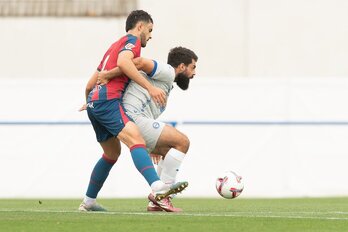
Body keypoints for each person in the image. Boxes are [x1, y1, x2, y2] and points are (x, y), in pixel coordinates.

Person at [79, 10, 188, 212]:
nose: (150, 35)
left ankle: (88, 202)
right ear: (140, 27)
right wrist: (150, 87)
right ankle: (158, 188)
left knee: (111, 153)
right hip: (108, 101)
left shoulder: (112, 47)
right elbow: (124, 63)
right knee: (136, 140)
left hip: (95, 102)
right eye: (149, 30)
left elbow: (89, 85)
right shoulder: (132, 41)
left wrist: (90, 101)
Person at [97, 47, 198, 212]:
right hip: (133, 118)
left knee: (168, 150)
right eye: (193, 67)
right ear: (181, 66)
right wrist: (109, 74)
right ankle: (164, 196)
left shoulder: (165, 83)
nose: (194, 73)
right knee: (183, 142)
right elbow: (139, 62)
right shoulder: (167, 71)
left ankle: (156, 201)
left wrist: (152, 142)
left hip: (135, 120)